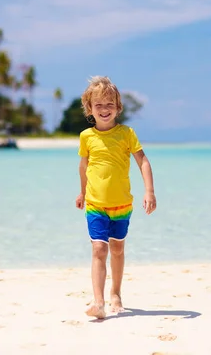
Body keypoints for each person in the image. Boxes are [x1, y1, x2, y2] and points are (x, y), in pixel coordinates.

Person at [75, 76, 157, 319]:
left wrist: (149, 191)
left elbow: (142, 160)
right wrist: (82, 191)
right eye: (98, 105)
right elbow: (84, 166)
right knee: (99, 249)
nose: (104, 109)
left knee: (117, 249)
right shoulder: (86, 137)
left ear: (118, 107)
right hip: (95, 204)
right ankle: (98, 301)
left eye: (110, 104)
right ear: (89, 109)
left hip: (122, 204)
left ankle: (116, 294)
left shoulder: (126, 133)